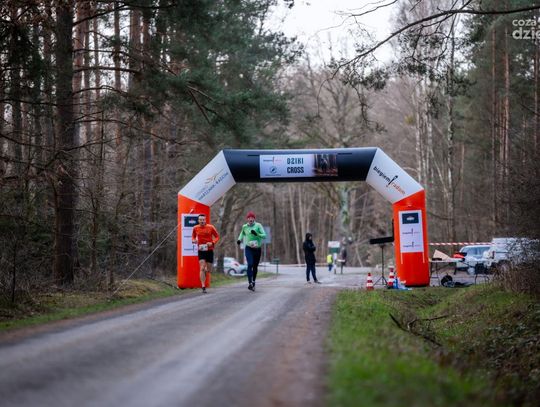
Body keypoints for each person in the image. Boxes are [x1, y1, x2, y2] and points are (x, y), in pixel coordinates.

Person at [237, 211, 266, 291]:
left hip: (257, 249)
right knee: (250, 264)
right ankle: (250, 283)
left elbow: (264, 235)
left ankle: (253, 281)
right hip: (249, 248)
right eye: (249, 218)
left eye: (252, 218)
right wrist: (239, 239)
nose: (251, 219)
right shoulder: (244, 227)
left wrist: (257, 234)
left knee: (255, 266)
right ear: (247, 219)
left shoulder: (258, 225)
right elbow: (242, 233)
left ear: (254, 219)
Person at [191, 214, 219, 293]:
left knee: (208, 270)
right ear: (198, 220)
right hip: (201, 249)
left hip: (209, 250)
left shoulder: (211, 227)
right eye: (200, 220)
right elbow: (193, 236)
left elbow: (217, 237)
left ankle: (206, 271)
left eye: (203, 220)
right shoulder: (195, 228)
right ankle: (203, 286)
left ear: (205, 220)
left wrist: (212, 243)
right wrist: (193, 240)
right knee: (202, 268)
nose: (202, 221)